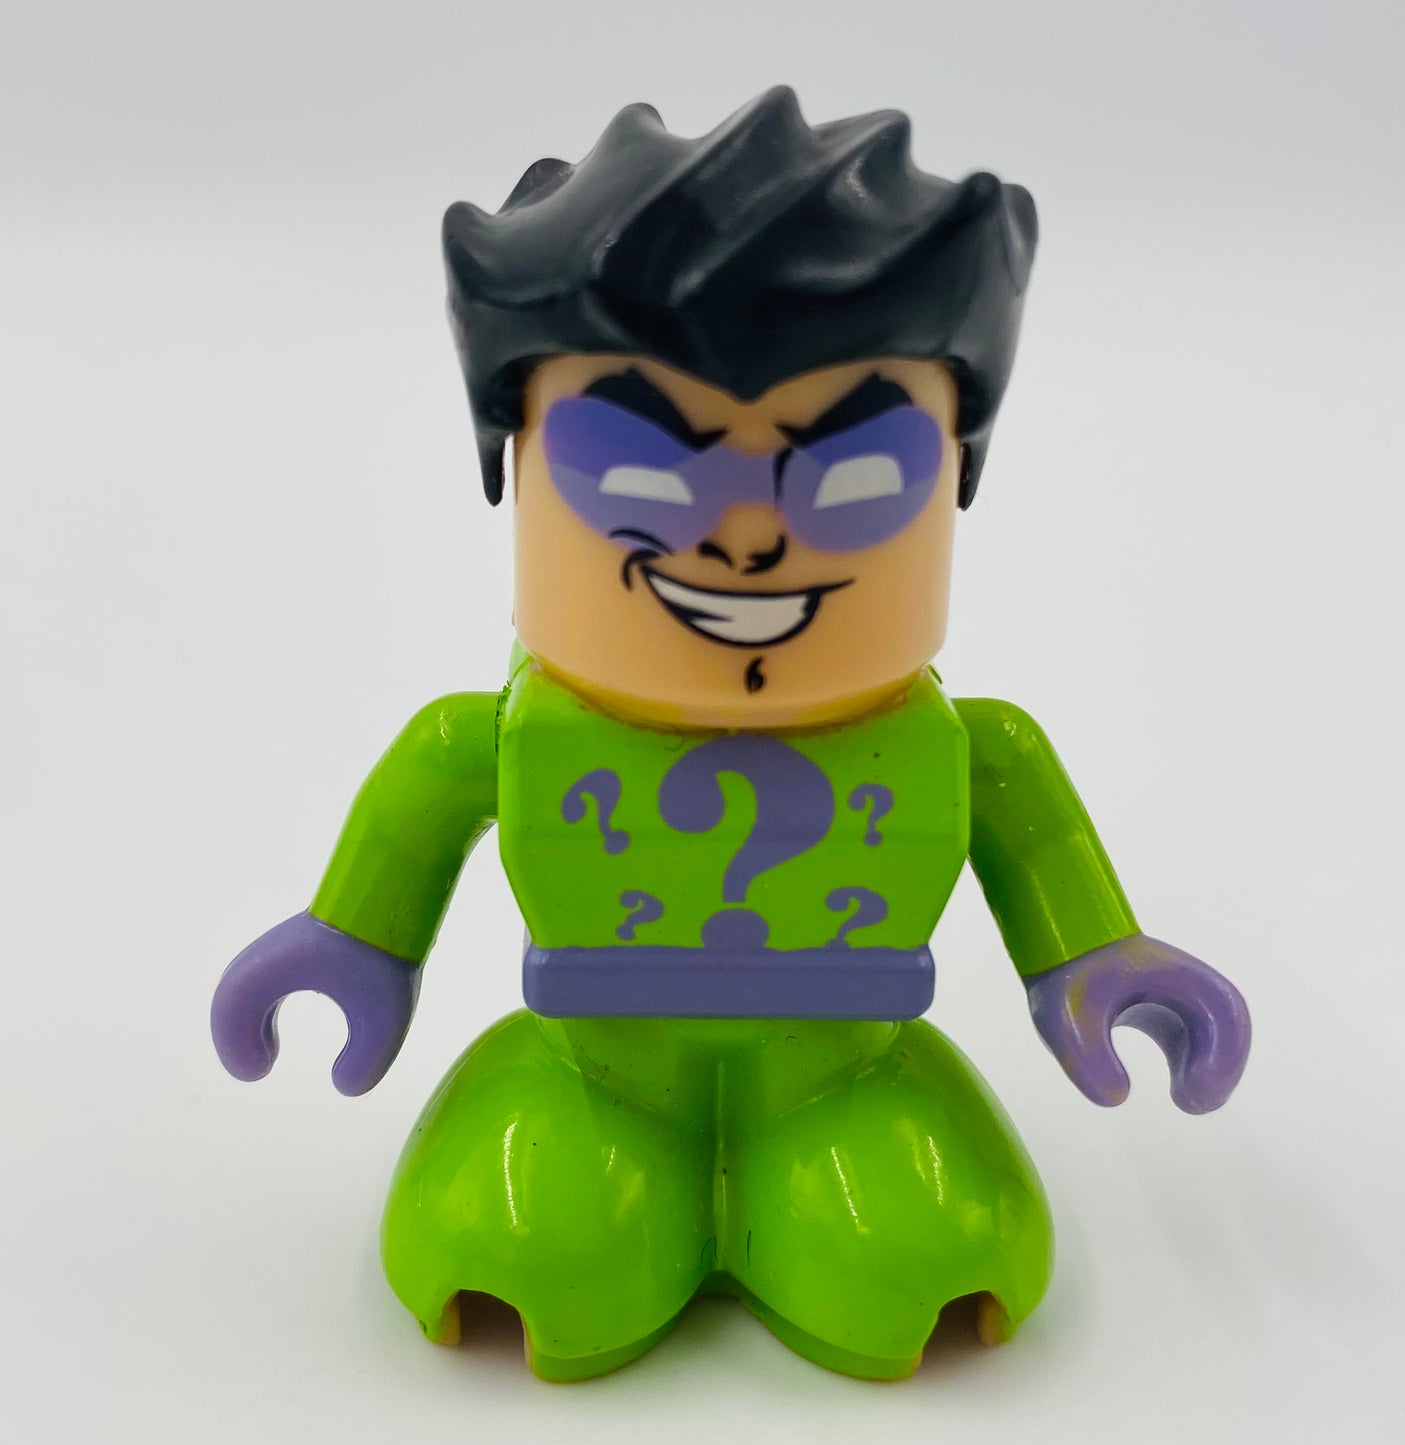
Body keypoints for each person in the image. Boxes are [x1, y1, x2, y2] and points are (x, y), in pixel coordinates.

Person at [212, 88, 1250, 1382]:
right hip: (595, 1069)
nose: (748, 540)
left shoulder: (973, 750)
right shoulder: (489, 738)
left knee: (906, 1244)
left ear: (953, 473)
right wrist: (356, 943)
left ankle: (822, 1184)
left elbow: (1039, 860)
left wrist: (1095, 962)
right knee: (546, 1237)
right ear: (516, 467)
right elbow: (413, 829)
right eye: (642, 471)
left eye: (853, 476)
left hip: (847, 1073)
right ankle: (596, 1175)